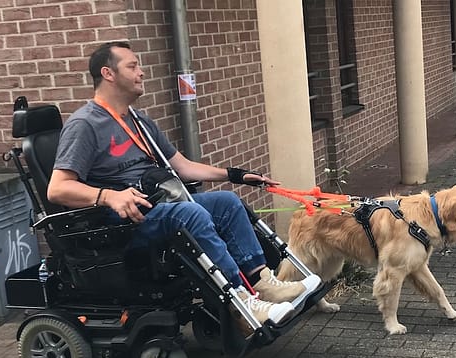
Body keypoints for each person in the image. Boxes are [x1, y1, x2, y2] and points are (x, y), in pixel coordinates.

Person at [47, 41, 320, 329]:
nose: (142, 73)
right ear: (108, 73)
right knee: (191, 214)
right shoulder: (85, 125)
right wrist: (108, 196)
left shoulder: (140, 121)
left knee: (226, 203)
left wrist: (234, 174)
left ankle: (262, 283)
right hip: (121, 221)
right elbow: (58, 188)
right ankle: (240, 303)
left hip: (158, 204)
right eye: (133, 66)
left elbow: (183, 167)